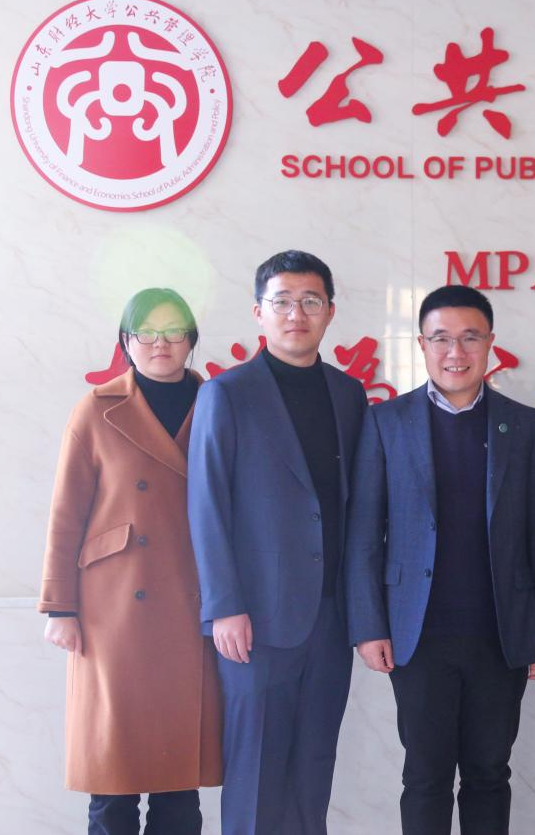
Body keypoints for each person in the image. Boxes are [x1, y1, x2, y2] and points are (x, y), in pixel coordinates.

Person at [344, 285, 535, 835]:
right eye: (440, 338)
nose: (455, 352)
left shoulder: (525, 426)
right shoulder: (386, 422)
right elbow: (365, 534)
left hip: (501, 633)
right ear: (422, 344)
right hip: (417, 635)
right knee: (425, 776)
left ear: (490, 344)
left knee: (490, 774)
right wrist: (368, 626)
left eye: (470, 338)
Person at [188, 250, 367, 835]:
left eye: (310, 301)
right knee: (257, 773)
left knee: (314, 770)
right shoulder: (227, 393)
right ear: (258, 312)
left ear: (330, 311)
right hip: (255, 621)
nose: (297, 314)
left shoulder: (348, 393)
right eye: (283, 301)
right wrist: (224, 607)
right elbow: (207, 505)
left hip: (332, 618)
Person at [39, 287, 222, 835]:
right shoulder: (96, 409)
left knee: (178, 784)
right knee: (112, 780)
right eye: (146, 332)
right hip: (113, 610)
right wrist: (60, 608)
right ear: (126, 341)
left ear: (191, 340)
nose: (160, 343)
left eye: (173, 331)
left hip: (193, 602)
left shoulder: (219, 404)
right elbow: (66, 513)